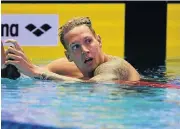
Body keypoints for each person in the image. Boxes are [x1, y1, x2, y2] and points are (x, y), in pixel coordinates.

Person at [1, 17, 140, 82]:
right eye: (76, 46)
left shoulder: (114, 67)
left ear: (99, 41)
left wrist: (36, 72)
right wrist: (10, 69)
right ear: (69, 56)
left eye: (88, 41)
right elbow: (31, 74)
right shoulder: (64, 66)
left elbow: (97, 86)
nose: (85, 50)